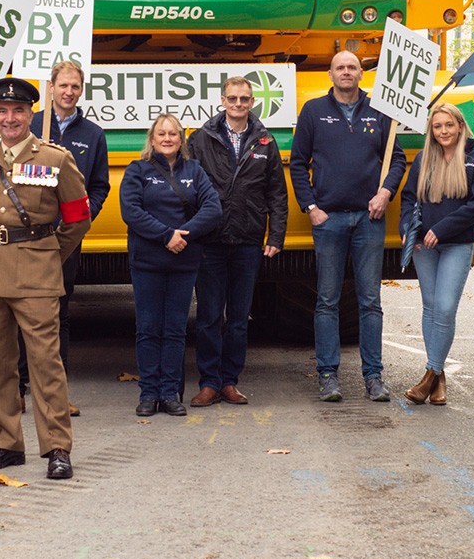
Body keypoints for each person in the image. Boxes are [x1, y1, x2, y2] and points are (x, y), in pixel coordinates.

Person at [0, 77, 92, 480]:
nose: (10, 118)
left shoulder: (55, 159)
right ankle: (6, 444)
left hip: (37, 275)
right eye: (2, 111)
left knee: (44, 363)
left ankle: (57, 446)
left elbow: (76, 217)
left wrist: (49, 253)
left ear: (30, 114)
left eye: (18, 111)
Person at [289, 50, 406, 403]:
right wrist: (311, 207)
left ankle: (373, 377)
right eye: (340, 67)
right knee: (327, 300)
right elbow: (297, 163)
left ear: (360, 73)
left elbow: (396, 159)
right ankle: (327, 375)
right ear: (330, 73)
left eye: (352, 67)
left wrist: (385, 192)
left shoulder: (380, 110)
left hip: (369, 219)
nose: (346, 72)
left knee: (370, 301)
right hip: (329, 219)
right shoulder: (313, 110)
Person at [185, 76, 288, 407]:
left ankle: (230, 381)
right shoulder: (200, 139)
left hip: (247, 239)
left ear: (253, 102)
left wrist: (276, 234)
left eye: (245, 99)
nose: (239, 104)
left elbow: (276, 192)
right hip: (210, 240)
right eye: (233, 99)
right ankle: (209, 383)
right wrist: (190, 229)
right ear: (222, 101)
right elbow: (189, 187)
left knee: (239, 318)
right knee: (210, 316)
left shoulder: (265, 142)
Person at [119, 114, 222, 417]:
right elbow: (131, 211)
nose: (167, 138)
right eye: (161, 133)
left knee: (175, 330)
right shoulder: (138, 170)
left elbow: (212, 208)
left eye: (173, 134)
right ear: (152, 139)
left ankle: (169, 393)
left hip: (184, 260)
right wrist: (166, 235)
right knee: (149, 328)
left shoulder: (195, 170)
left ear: (181, 140)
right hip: (147, 261)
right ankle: (149, 393)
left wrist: (182, 236)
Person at [25, 59, 110, 416]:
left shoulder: (93, 134)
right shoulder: (29, 125)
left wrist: (80, 222)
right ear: (52, 87)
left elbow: (99, 186)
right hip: (24, 237)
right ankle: (18, 387)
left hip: (65, 241)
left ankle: (56, 394)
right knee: (19, 310)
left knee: (58, 314)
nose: (69, 92)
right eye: (64, 86)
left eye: (75, 87)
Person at [398, 103, 474, 406]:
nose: (443, 131)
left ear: (460, 126)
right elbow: (409, 196)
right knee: (430, 307)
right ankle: (438, 380)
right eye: (437, 127)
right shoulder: (425, 158)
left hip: (457, 244)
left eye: (448, 125)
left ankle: (429, 374)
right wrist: (409, 228)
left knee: (445, 306)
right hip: (425, 245)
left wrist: (443, 229)